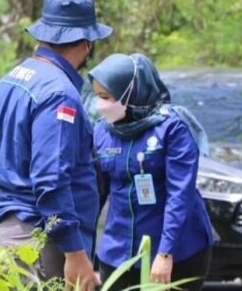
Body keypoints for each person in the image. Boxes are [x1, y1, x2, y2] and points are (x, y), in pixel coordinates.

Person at [0, 0, 112, 290]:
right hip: (40, 242)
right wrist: (76, 254)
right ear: (86, 43)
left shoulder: (9, 80)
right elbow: (51, 180)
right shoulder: (59, 94)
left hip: (4, 230)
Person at [89, 53, 214, 290]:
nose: (100, 104)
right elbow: (96, 193)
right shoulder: (102, 132)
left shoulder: (172, 127)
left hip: (178, 251)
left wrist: (166, 252)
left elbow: (180, 194)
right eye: (97, 96)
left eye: (106, 97)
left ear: (130, 93)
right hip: (118, 252)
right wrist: (83, 249)